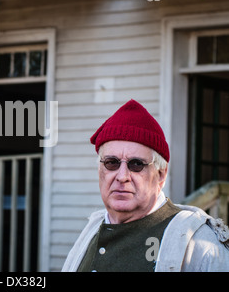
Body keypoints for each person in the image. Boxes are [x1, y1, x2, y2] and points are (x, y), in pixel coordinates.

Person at [62, 99, 229, 272]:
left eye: (136, 164)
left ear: (161, 174)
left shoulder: (199, 243)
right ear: (99, 169)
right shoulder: (92, 229)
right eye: (112, 162)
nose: (122, 176)